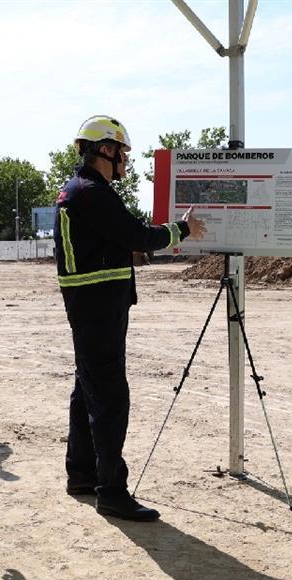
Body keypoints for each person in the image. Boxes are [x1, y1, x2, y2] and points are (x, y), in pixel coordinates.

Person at [54, 115, 207, 522]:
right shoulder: (91, 192)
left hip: (93, 307)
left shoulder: (82, 190)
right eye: (122, 151)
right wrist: (181, 230)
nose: (125, 159)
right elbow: (136, 235)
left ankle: (82, 474)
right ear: (104, 150)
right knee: (109, 398)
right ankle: (112, 491)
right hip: (98, 308)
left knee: (86, 390)